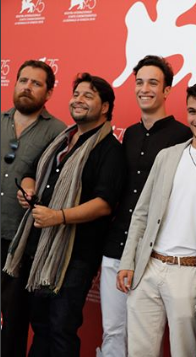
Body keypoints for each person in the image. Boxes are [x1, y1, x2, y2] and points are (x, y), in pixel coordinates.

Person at [3, 73, 126, 357]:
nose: (79, 100)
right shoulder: (61, 140)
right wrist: (28, 189)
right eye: (76, 94)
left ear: (105, 107)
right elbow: (31, 173)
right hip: (40, 248)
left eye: (88, 95)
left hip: (74, 256)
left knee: (61, 329)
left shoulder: (110, 150)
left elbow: (104, 204)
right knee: (41, 325)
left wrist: (58, 216)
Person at [116, 79, 196, 357]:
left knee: (185, 352)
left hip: (191, 274)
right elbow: (141, 213)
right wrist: (129, 261)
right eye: (192, 111)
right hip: (149, 267)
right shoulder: (167, 156)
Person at [98, 55, 191, 357]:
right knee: (113, 330)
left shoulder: (183, 136)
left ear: (167, 90)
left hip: (154, 253)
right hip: (116, 248)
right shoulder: (129, 134)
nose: (144, 88)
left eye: (153, 82)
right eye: (139, 82)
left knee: (147, 338)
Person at [1, 59, 66, 357]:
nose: (27, 87)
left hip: (20, 242)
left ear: (49, 93)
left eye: (36, 83)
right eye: (23, 80)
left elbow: (57, 184)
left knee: (13, 323)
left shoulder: (58, 132)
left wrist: (33, 190)